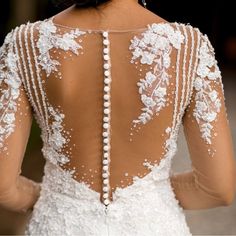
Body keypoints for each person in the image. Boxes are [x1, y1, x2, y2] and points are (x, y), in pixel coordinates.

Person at [0, 0, 235, 235]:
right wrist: (151, 193)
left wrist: (55, 197)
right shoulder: (190, 47)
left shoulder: (24, 43)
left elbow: (3, 185)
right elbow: (218, 188)